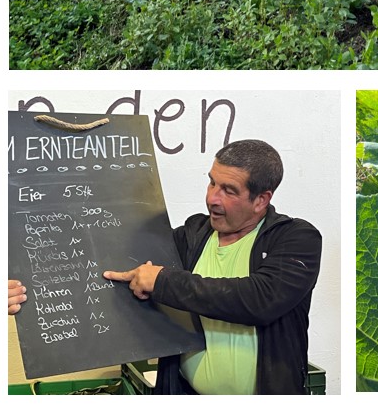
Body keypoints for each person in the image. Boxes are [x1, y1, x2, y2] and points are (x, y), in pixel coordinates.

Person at [104, 140, 322, 394]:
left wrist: (162, 281)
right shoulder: (191, 235)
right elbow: (131, 262)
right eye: (212, 182)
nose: (212, 198)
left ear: (261, 200)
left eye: (229, 191)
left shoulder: (296, 239)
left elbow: (260, 300)